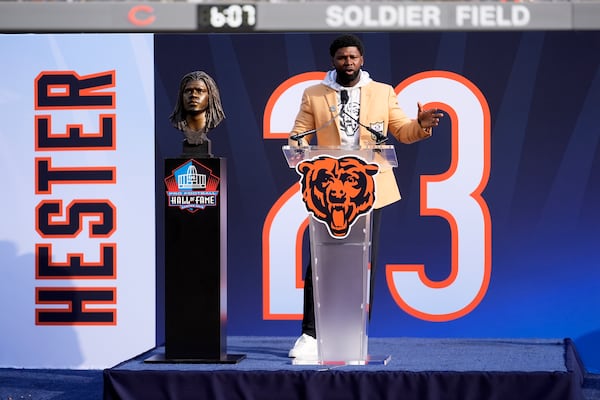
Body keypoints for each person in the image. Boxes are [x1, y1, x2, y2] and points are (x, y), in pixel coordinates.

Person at [287, 34, 443, 360]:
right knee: (320, 261)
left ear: (362, 60)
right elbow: (299, 133)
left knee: (363, 261)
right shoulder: (315, 94)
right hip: (328, 190)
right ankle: (311, 334)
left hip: (369, 191)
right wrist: (300, 146)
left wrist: (421, 125)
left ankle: (355, 333)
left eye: (353, 57)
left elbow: (402, 130)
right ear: (333, 61)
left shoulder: (382, 93)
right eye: (342, 57)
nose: (348, 63)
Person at [169, 70, 225, 157]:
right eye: (188, 91)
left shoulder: (212, 121)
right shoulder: (177, 122)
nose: (193, 95)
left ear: (211, 96)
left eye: (199, 91)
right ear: (181, 96)